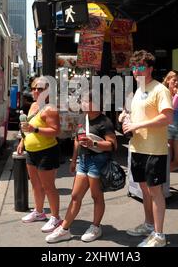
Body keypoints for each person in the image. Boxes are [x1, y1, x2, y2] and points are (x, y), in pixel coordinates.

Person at [45, 91, 117, 243]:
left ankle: (96, 227)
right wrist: (74, 159)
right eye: (82, 101)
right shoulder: (81, 118)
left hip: (98, 161)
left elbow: (112, 145)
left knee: (96, 196)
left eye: (86, 101)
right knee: (75, 196)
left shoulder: (105, 122)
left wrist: (94, 143)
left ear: (95, 103)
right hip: (83, 161)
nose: (83, 104)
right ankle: (64, 229)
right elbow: (77, 140)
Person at [119, 50, 173, 247]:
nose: (136, 71)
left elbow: (167, 117)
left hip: (154, 150)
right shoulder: (137, 92)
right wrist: (126, 117)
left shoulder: (160, 89)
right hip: (137, 147)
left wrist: (136, 125)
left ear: (150, 68)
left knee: (156, 191)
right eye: (134, 67)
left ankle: (159, 235)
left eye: (140, 67)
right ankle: (149, 225)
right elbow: (137, 115)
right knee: (144, 189)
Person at [16, 76, 62, 233]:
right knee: (35, 185)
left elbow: (56, 131)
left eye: (40, 89)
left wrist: (35, 130)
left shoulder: (50, 109)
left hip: (46, 152)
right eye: (34, 88)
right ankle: (39, 212)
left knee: (48, 187)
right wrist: (22, 141)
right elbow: (27, 126)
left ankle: (55, 218)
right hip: (31, 151)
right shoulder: (34, 106)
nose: (36, 91)